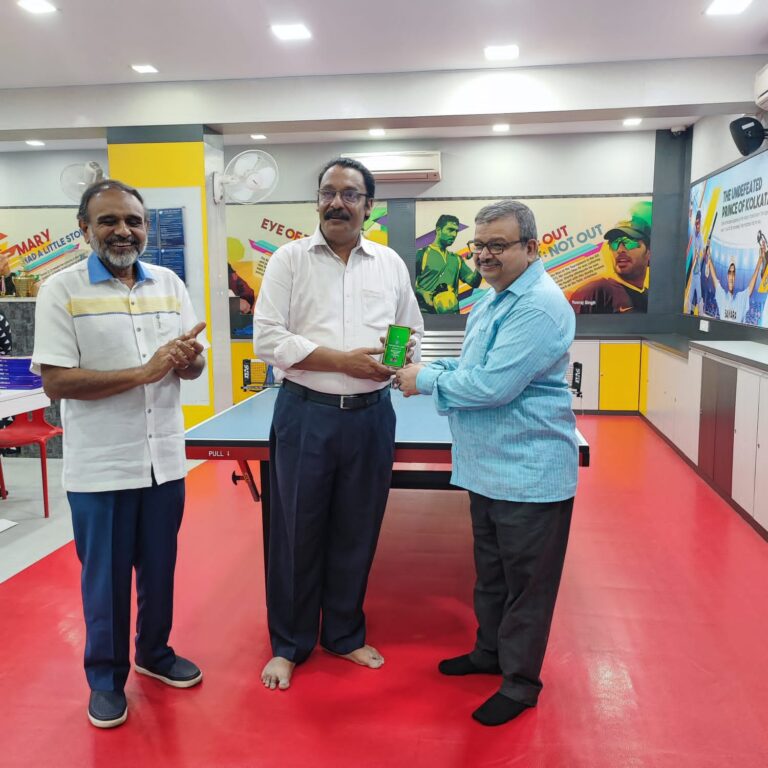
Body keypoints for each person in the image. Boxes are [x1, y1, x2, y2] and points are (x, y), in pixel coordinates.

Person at [31, 180, 207, 729]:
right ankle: (105, 680)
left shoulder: (169, 283)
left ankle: (155, 653)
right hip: (101, 468)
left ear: (146, 227)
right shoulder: (60, 290)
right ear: (85, 229)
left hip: (165, 462)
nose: (122, 231)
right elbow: (58, 381)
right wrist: (145, 371)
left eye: (133, 220)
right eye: (108, 220)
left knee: (160, 569)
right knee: (105, 582)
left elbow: (193, 365)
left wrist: (187, 360)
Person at [395, 200, 578, 726]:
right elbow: (473, 364)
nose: (484, 255)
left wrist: (423, 380)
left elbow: (492, 386)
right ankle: (490, 653)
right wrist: (431, 366)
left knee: (527, 587)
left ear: (531, 247)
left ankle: (520, 685)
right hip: (488, 468)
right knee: (492, 576)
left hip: (530, 474)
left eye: (498, 245)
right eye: (479, 245)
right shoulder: (493, 299)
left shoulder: (538, 306)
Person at [253, 157, 423, 691]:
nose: (337, 203)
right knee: (296, 533)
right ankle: (290, 644)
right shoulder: (289, 260)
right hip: (306, 414)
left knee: (357, 531)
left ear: (368, 207)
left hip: (371, 418)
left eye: (350, 194)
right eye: (328, 192)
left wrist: (392, 359)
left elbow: (409, 329)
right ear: (317, 202)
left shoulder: (390, 264)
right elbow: (268, 339)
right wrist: (342, 362)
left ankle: (344, 634)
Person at [569, 216, 651, 313]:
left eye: (629, 242)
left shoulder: (650, 298)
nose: (620, 250)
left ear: (649, 252)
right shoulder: (593, 293)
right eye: (614, 243)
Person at [414, 214, 482, 313]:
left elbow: (474, 282)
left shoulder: (456, 259)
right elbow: (405, 284)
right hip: (426, 316)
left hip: (452, 315)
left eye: (456, 231)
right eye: (450, 230)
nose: (454, 234)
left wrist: (479, 260)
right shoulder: (421, 254)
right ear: (438, 230)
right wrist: (421, 292)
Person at [704, 238, 765, 324]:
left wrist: (760, 259)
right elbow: (714, 276)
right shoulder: (721, 296)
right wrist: (709, 256)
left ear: (735, 277)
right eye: (729, 272)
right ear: (727, 276)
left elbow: (751, 284)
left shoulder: (741, 298)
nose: (731, 276)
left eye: (733, 273)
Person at [684, 210, 705, 315]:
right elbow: (688, 249)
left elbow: (703, 252)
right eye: (697, 223)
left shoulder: (701, 237)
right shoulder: (692, 233)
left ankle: (700, 313)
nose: (698, 226)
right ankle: (689, 312)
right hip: (691, 271)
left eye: (699, 223)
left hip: (697, 272)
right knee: (692, 294)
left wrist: (702, 254)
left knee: (698, 294)